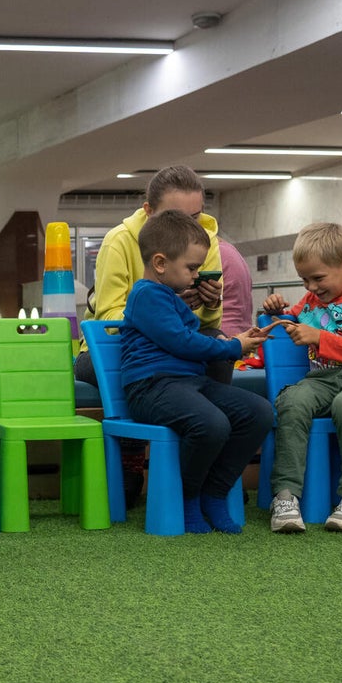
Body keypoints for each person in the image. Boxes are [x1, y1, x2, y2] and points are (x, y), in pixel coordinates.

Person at [119, 210, 274, 534]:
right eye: (191, 268)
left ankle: (214, 493)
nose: (196, 275)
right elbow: (182, 342)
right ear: (160, 263)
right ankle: (189, 497)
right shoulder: (145, 294)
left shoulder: (168, 296)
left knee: (258, 412)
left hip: (188, 383)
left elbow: (185, 337)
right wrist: (234, 346)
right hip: (150, 387)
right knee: (211, 423)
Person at [259, 223, 342, 534]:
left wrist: (318, 337)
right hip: (322, 380)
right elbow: (291, 317)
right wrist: (276, 308)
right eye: (305, 279)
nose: (312, 286)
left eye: (318, 278)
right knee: (291, 401)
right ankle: (285, 496)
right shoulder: (310, 301)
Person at [76, 165, 228, 386]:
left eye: (194, 218)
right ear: (148, 210)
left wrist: (212, 303)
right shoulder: (118, 242)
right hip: (115, 345)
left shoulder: (205, 242)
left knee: (217, 342)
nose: (187, 229)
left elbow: (207, 325)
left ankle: (216, 410)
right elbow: (107, 321)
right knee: (149, 361)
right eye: (174, 218)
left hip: (176, 343)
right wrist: (164, 311)